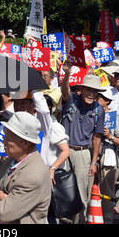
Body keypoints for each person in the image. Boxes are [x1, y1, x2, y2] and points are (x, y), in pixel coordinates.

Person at [0, 112, 51, 224]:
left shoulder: (33, 175)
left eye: (8, 139)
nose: (3, 141)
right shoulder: (11, 160)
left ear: (25, 143)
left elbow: (3, 213)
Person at [60, 65, 105, 224]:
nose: (92, 94)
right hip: (63, 151)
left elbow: (97, 137)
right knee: (61, 188)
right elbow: (64, 91)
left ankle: (81, 220)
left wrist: (94, 161)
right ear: (81, 89)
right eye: (88, 90)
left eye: (95, 91)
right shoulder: (72, 100)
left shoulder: (99, 110)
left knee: (82, 191)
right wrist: (66, 75)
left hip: (83, 153)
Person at [96, 87, 119, 224]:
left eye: (100, 97)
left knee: (107, 192)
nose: (97, 99)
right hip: (92, 156)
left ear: (107, 101)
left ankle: (107, 219)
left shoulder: (116, 117)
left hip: (108, 157)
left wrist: (110, 136)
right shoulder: (91, 114)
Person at [42, 95, 70, 224]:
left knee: (50, 213)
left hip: (52, 176)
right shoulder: (39, 125)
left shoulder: (54, 126)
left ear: (48, 108)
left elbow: (66, 151)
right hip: (40, 175)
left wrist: (52, 169)